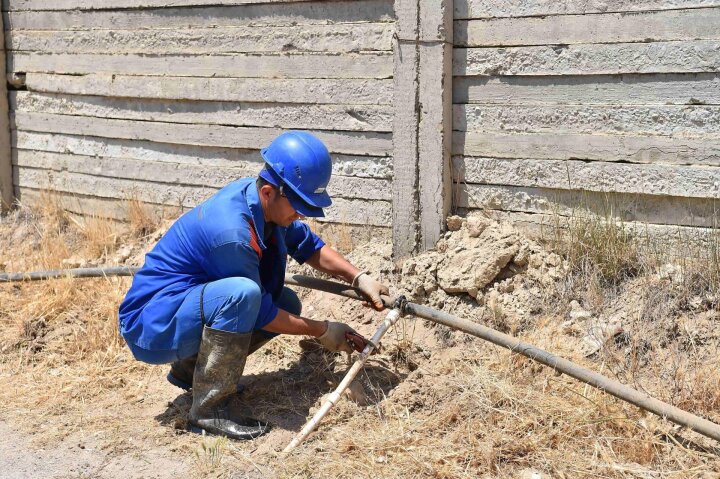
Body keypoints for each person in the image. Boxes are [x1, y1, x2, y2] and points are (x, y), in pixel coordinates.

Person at [118, 131, 389, 441]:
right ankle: (208, 413)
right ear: (270, 192)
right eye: (299, 204)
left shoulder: (262, 205)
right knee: (244, 296)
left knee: (285, 301)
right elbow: (257, 310)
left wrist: (359, 278)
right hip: (151, 323)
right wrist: (322, 330)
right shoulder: (232, 232)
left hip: (181, 308)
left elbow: (308, 246)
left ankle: (190, 370)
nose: (301, 214)